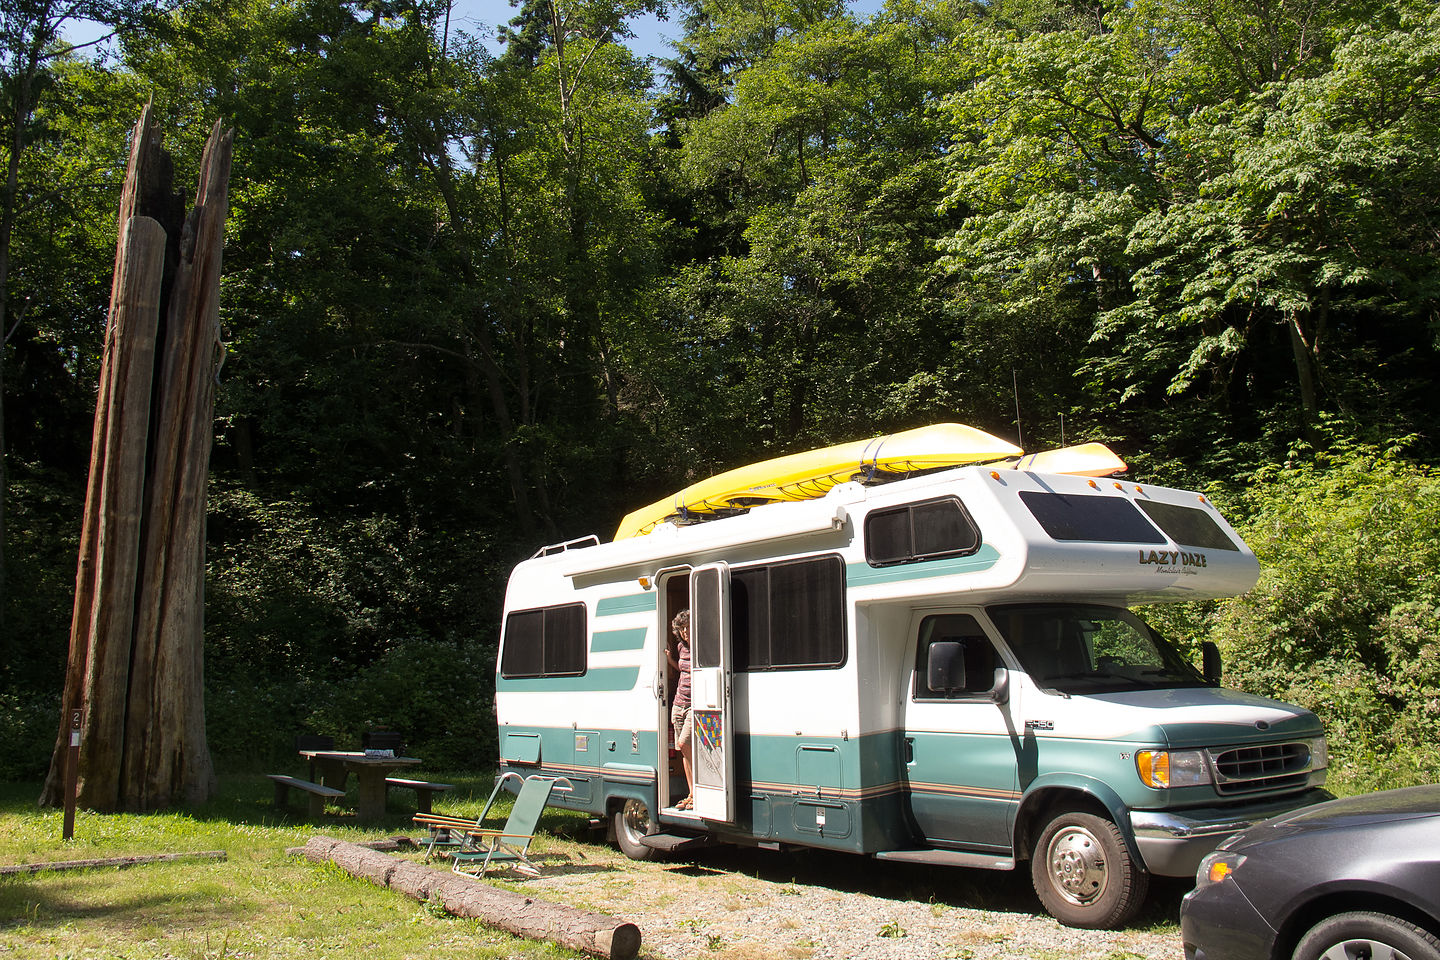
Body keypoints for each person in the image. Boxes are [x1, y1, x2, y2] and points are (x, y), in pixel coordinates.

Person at [667, 609, 695, 810]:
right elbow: (682, 669)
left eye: (688, 627)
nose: (685, 632)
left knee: (684, 743)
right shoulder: (681, 647)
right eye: (682, 629)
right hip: (679, 703)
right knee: (684, 751)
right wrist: (670, 660)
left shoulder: (701, 647)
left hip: (694, 703)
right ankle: (691, 794)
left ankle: (698, 792)